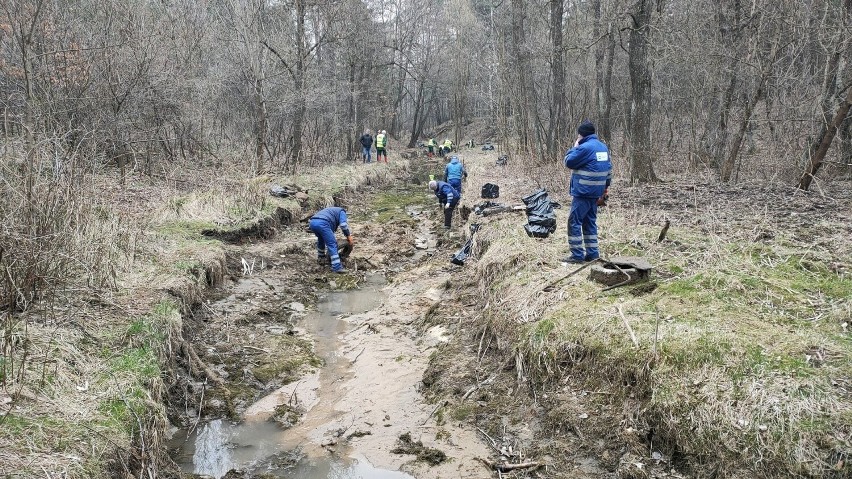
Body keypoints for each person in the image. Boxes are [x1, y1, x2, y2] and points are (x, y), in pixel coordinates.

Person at [562, 120, 612, 264]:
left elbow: (568, 162)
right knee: (590, 222)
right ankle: (593, 253)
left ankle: (577, 255)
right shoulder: (603, 147)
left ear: (581, 134)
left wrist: (574, 147)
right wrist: (604, 188)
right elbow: (609, 170)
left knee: (574, 222)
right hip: (596, 192)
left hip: (583, 192)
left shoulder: (584, 148)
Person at [308, 206, 354, 273]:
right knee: (332, 244)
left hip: (312, 223)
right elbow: (343, 225)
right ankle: (337, 267)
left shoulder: (332, 210)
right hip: (323, 223)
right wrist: (348, 235)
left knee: (321, 240)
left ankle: (321, 259)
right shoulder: (342, 212)